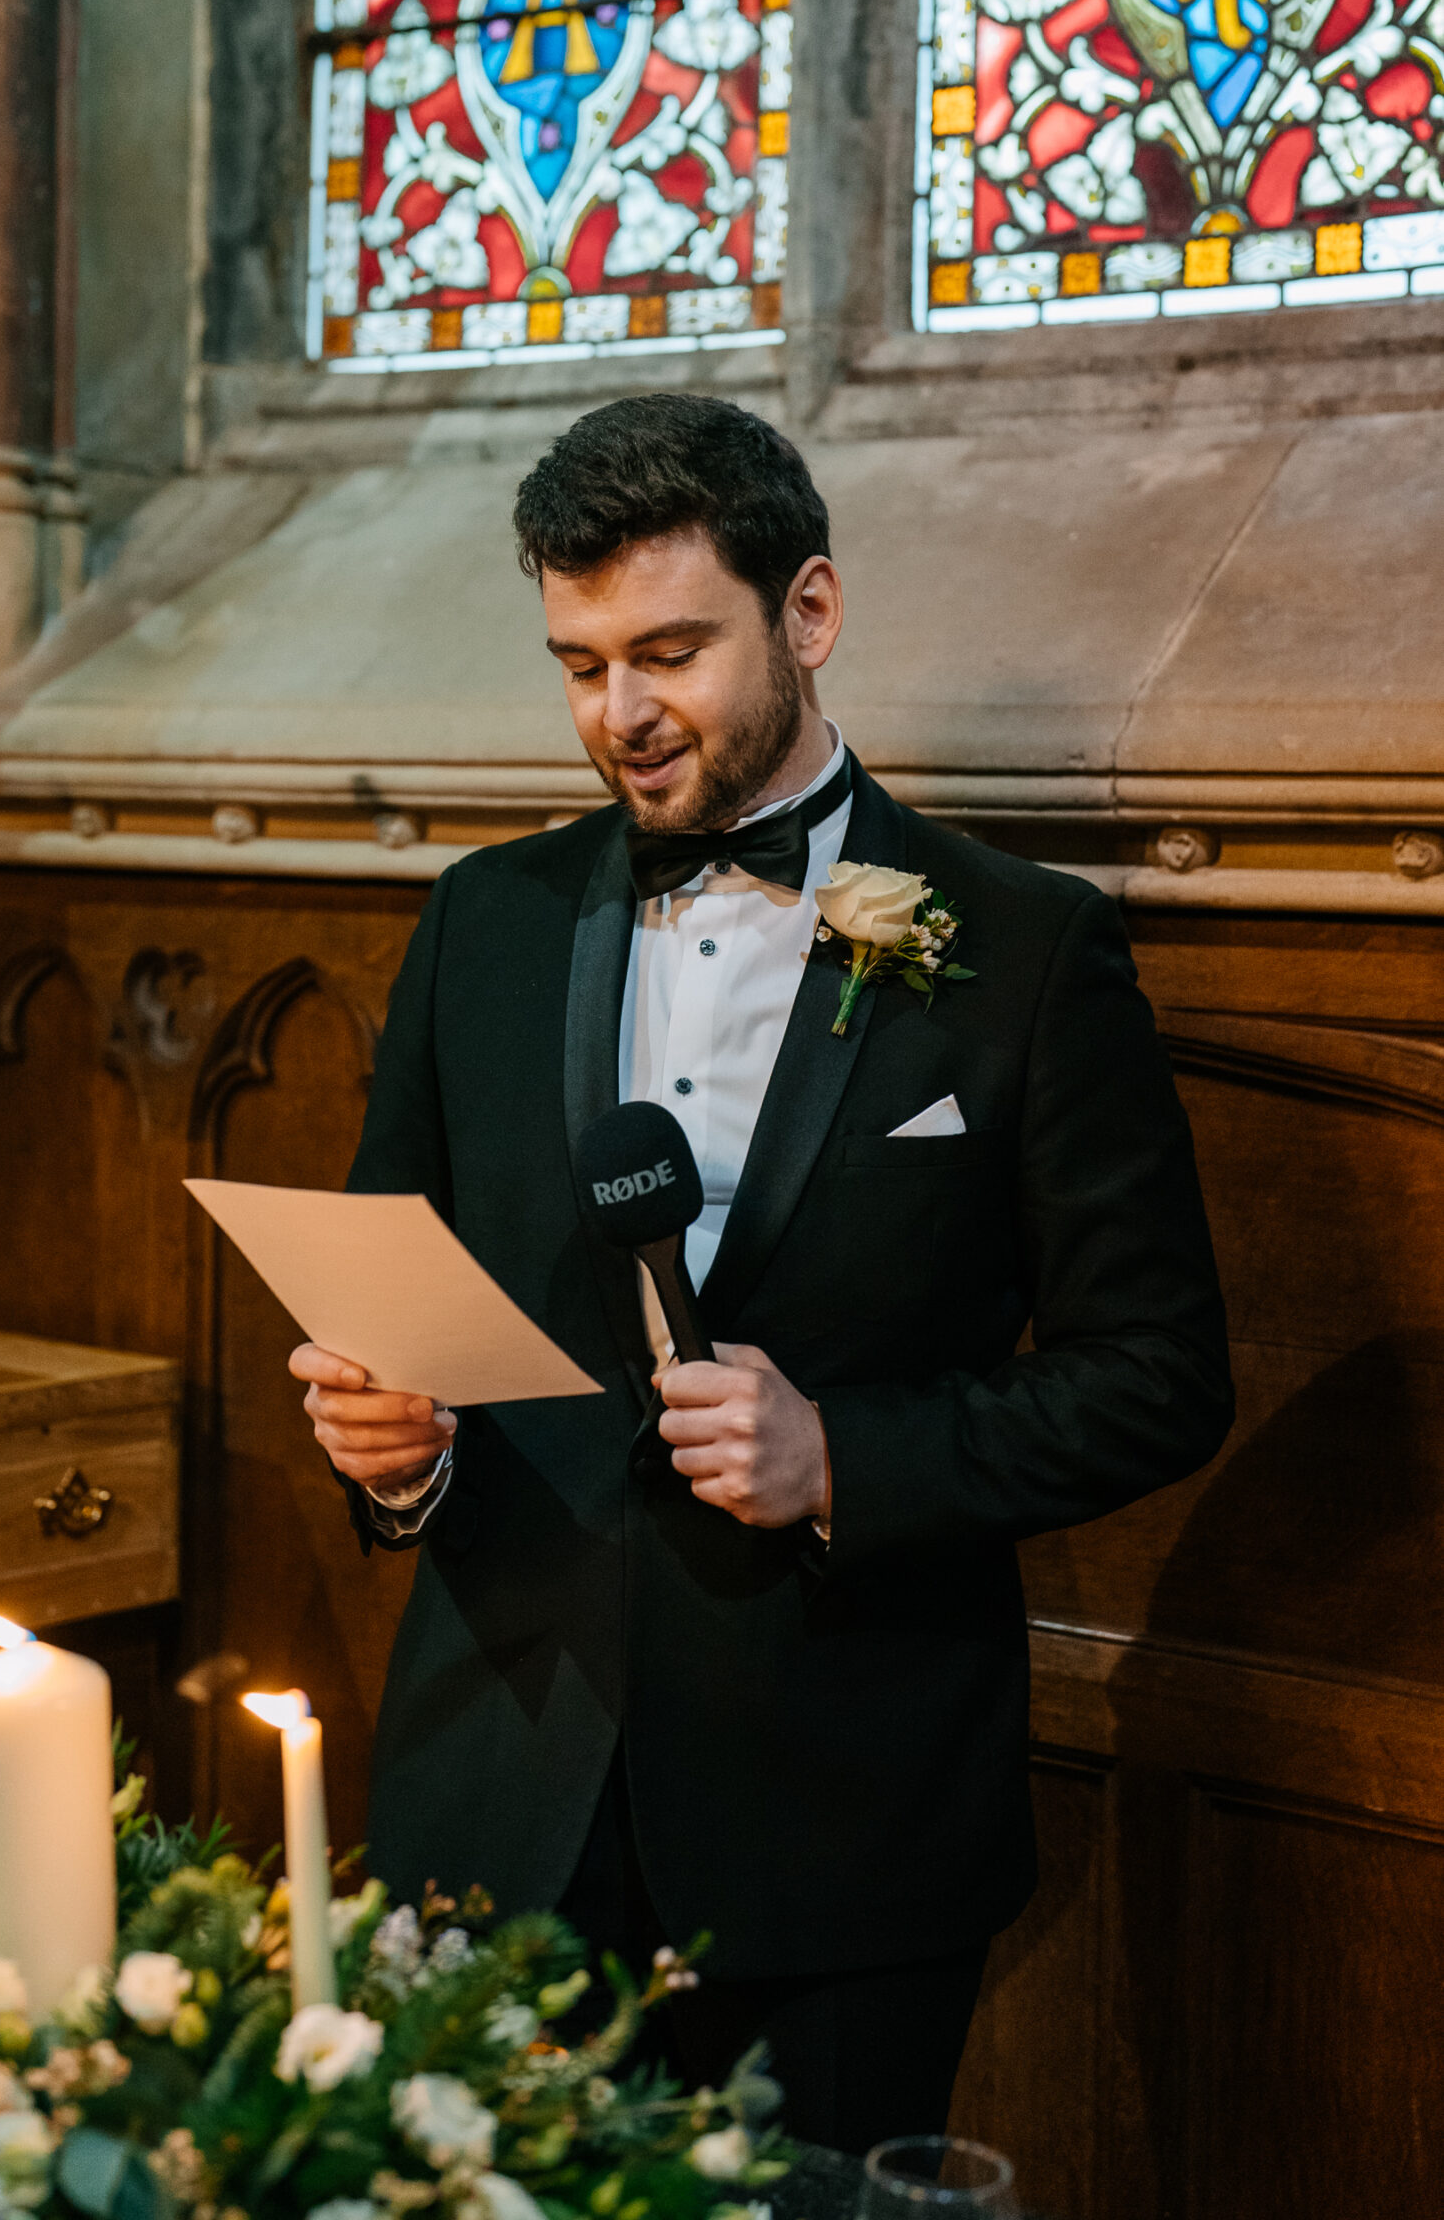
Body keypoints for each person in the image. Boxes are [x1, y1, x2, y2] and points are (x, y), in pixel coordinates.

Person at [290, 392, 1232, 2152]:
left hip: (846, 1822)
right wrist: (395, 1450)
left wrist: (841, 1462)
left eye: (668, 652)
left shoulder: (1026, 951)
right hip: (501, 1789)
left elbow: (1162, 1372)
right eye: (579, 665)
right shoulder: (479, 922)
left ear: (808, 613)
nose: (621, 716)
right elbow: (390, 1290)